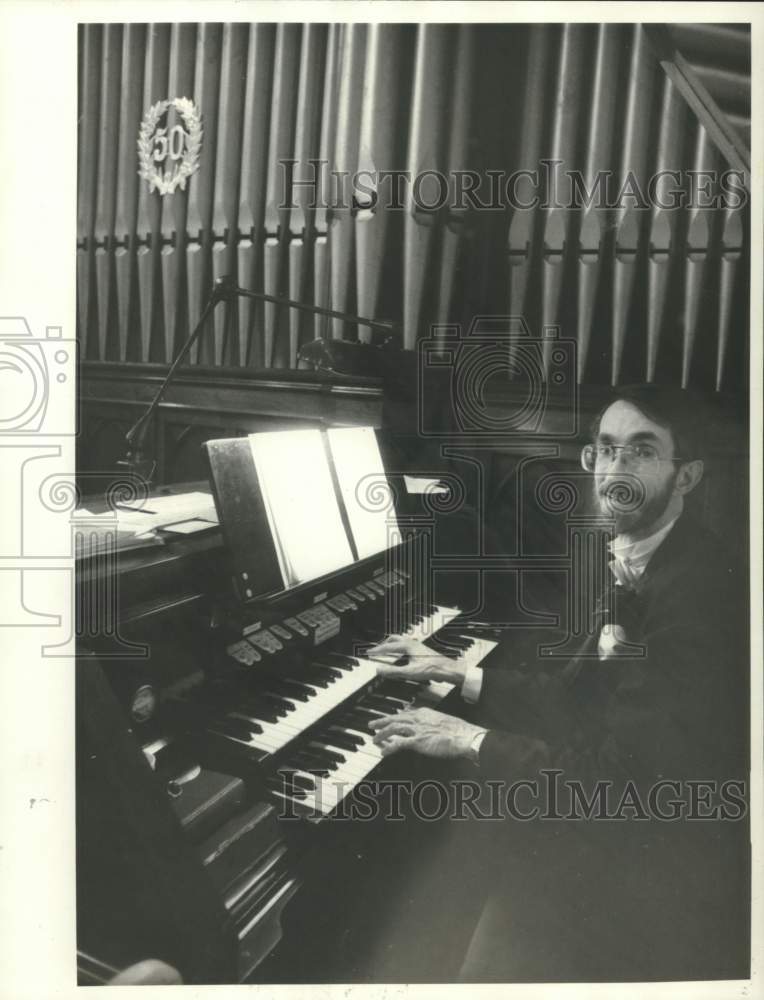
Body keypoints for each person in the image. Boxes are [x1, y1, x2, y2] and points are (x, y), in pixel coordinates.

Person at [367, 384, 749, 982]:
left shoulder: (696, 596)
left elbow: (617, 784)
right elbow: (580, 695)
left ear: (689, 477)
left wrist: (467, 740)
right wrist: (458, 674)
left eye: (643, 452)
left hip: (656, 862)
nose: (616, 471)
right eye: (607, 449)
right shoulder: (632, 548)